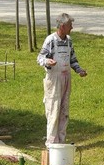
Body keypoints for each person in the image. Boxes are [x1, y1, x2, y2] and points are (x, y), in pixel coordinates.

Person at [37, 13, 87, 146]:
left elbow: (72, 59)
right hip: (54, 79)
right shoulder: (51, 40)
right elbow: (40, 58)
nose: (72, 27)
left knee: (64, 111)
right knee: (53, 110)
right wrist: (48, 61)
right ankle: (51, 143)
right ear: (63, 26)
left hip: (66, 79)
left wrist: (79, 70)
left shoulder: (69, 40)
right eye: (70, 25)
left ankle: (61, 141)